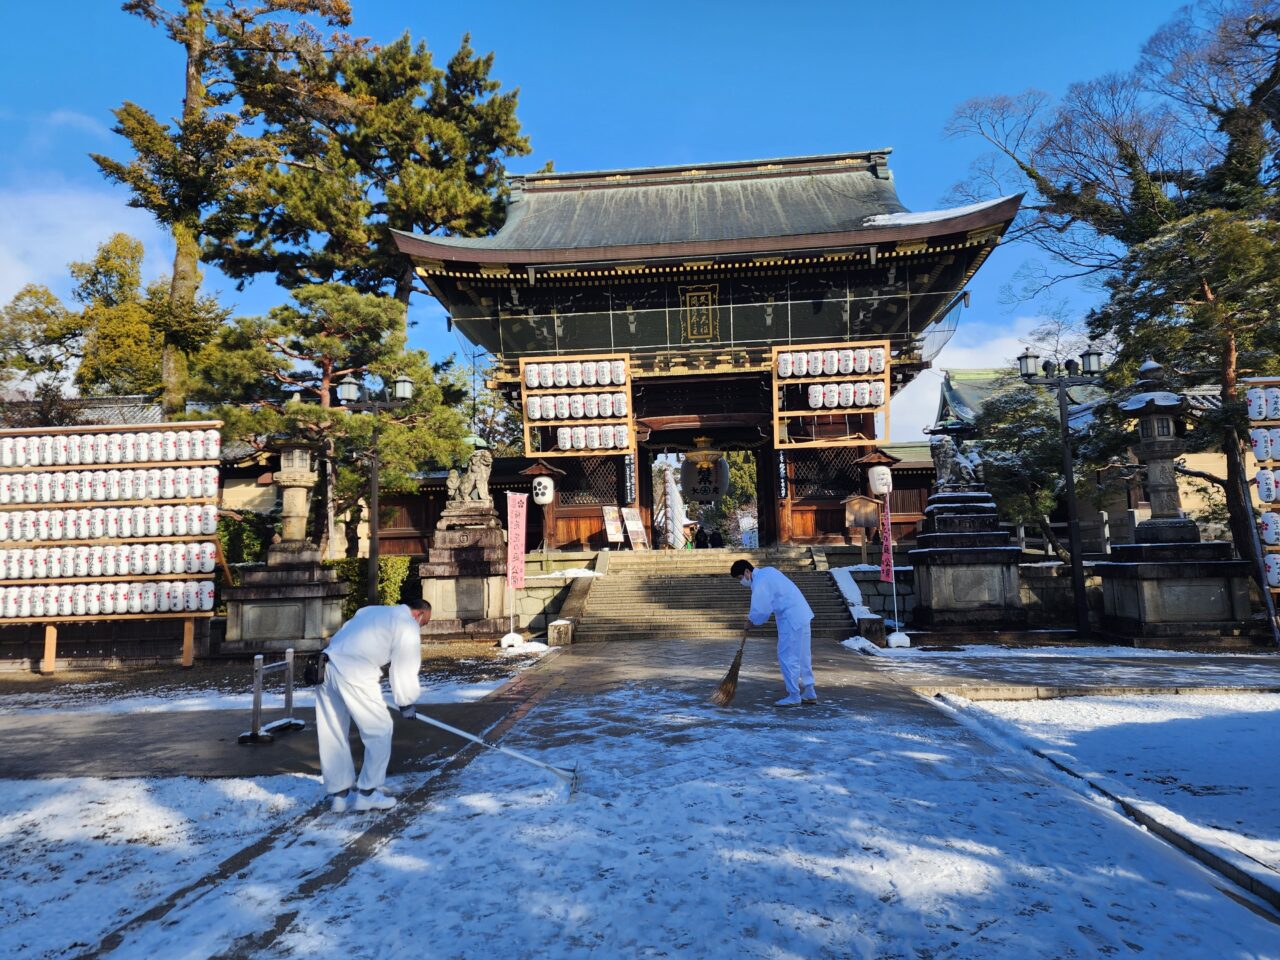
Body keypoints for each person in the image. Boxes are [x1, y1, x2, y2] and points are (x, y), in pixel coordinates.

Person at [315, 599, 432, 812]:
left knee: (332, 731)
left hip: (326, 667)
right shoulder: (407, 624)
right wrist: (405, 701)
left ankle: (339, 795)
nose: (421, 628)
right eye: (424, 624)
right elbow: (404, 664)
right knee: (379, 730)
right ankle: (367, 793)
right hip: (355, 671)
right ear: (419, 615)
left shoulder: (371, 611)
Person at [731, 559, 816, 707]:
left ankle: (794, 695)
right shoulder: (769, 571)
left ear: (747, 571)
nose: (742, 582)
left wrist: (751, 621)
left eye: (740, 578)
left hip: (790, 619)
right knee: (803, 655)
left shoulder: (760, 581)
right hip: (801, 614)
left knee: (787, 656)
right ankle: (809, 691)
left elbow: (761, 609)